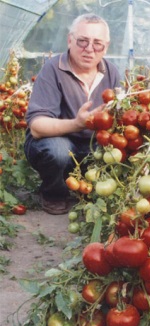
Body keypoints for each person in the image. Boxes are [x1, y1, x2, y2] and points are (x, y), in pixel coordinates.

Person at [24, 13, 121, 215]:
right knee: (59, 151)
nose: (89, 50)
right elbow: (37, 127)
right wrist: (78, 123)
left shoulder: (111, 72)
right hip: (56, 142)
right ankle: (53, 193)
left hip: (91, 147)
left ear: (106, 46)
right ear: (70, 40)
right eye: (83, 41)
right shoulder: (53, 69)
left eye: (97, 44)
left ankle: (84, 187)